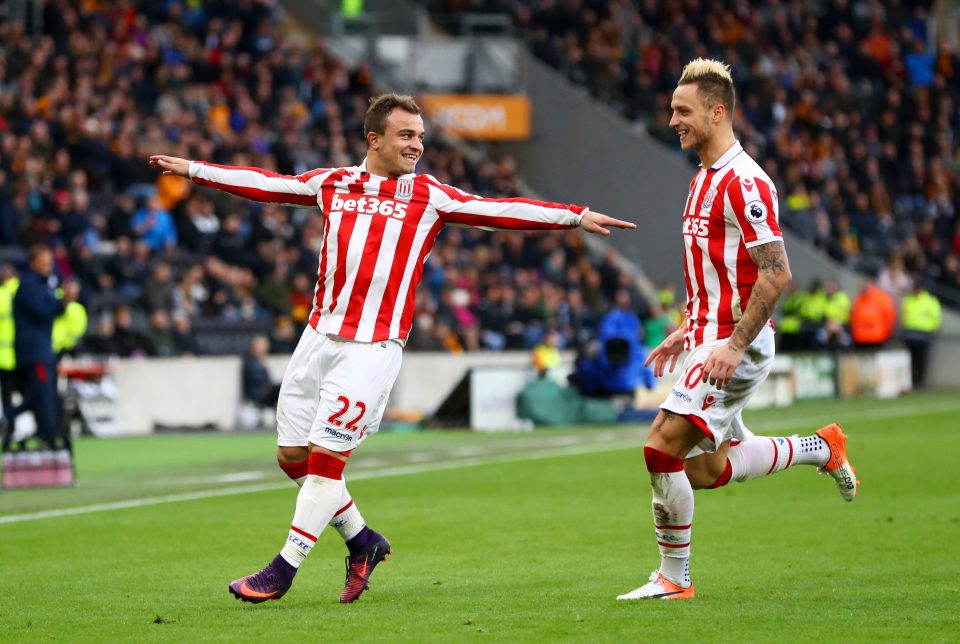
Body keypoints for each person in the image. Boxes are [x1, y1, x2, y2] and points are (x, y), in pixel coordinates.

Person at [149, 93, 635, 605]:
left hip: (372, 347)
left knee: (326, 464)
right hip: (317, 338)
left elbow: (499, 210)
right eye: (407, 135)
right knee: (293, 457)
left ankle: (282, 570)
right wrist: (194, 170)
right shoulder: (333, 184)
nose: (417, 146)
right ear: (374, 139)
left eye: (421, 137)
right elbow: (267, 185)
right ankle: (362, 541)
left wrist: (574, 216)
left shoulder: (430, 196)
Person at [617, 60, 858, 602]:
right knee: (705, 471)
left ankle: (674, 580)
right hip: (706, 335)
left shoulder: (745, 182)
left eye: (683, 110)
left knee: (659, 450)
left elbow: (777, 274)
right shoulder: (703, 176)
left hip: (733, 343)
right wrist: (686, 326)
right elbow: (718, 271)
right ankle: (820, 447)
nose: (672, 119)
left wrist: (733, 343)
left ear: (717, 111)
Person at [12, 245, 69, 451]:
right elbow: (41, 312)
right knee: (43, 395)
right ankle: (48, 436)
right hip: (34, 352)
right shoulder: (29, 284)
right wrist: (62, 302)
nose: (49, 266)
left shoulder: (42, 283)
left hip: (39, 350)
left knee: (40, 396)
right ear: (33, 262)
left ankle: (45, 431)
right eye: (45, 261)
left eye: (50, 262)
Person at [901, 278, 941, 388]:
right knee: (911, 359)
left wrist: (931, 330)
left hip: (924, 334)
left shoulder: (931, 301)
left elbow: (936, 318)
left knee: (921, 359)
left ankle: (919, 381)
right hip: (910, 334)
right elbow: (905, 315)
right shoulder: (908, 299)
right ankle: (911, 380)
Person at [0, 264, 20, 451]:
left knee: (6, 397)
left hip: (4, 357)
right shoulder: (25, 292)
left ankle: (9, 428)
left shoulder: (2, 295)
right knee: (28, 394)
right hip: (22, 355)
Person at [242, 335, 281, 409]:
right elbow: (260, 382)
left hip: (266, 393)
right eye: (263, 345)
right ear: (255, 346)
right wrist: (270, 388)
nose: (266, 347)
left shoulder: (260, 361)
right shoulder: (250, 362)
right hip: (257, 398)